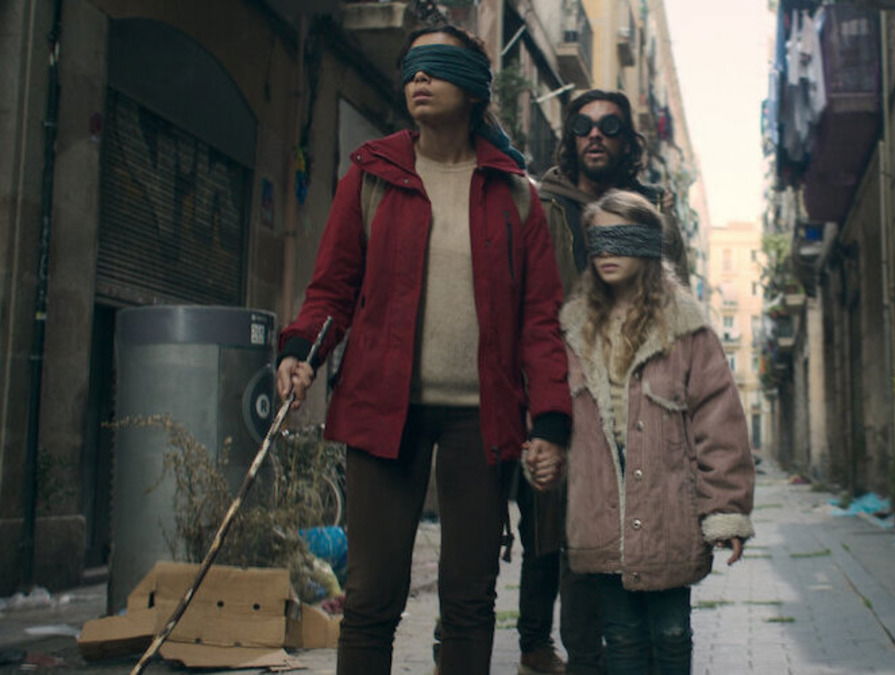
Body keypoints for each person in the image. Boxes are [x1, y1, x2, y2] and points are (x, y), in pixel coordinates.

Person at [275, 24, 570, 675]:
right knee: (372, 598)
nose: (419, 78)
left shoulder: (516, 195)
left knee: (469, 600)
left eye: (436, 67)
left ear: (473, 89)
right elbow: (333, 287)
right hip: (383, 409)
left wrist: (550, 420)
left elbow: (540, 322)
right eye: (412, 68)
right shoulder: (371, 176)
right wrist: (301, 350)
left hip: (482, 419)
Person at [539, 190, 755, 674]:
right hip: (603, 515)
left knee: (672, 634)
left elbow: (719, 422)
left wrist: (726, 510)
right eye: (597, 240)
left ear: (648, 245)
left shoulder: (686, 330)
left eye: (621, 238)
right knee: (621, 637)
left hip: (668, 514)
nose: (606, 251)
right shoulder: (574, 330)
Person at [514, 89, 691, 675]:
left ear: (627, 141)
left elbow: (676, 299)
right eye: (584, 125)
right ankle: (557, 652)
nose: (595, 134)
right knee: (554, 533)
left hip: (633, 397)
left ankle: (615, 656)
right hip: (557, 389)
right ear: (570, 137)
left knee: (620, 534)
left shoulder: (651, 210)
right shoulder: (543, 204)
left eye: (610, 126)